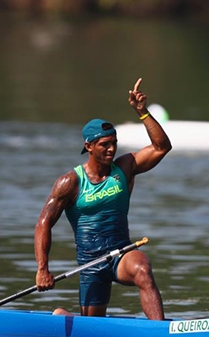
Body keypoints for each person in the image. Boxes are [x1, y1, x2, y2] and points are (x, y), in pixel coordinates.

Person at [34, 78, 171, 321]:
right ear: (89, 146)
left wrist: (142, 112)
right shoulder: (70, 182)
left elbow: (161, 147)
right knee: (91, 333)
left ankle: (161, 333)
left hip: (121, 253)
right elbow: (44, 222)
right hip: (90, 265)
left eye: (114, 143)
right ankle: (60, 315)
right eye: (105, 145)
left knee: (142, 270)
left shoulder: (125, 167)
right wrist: (43, 269)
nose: (111, 149)